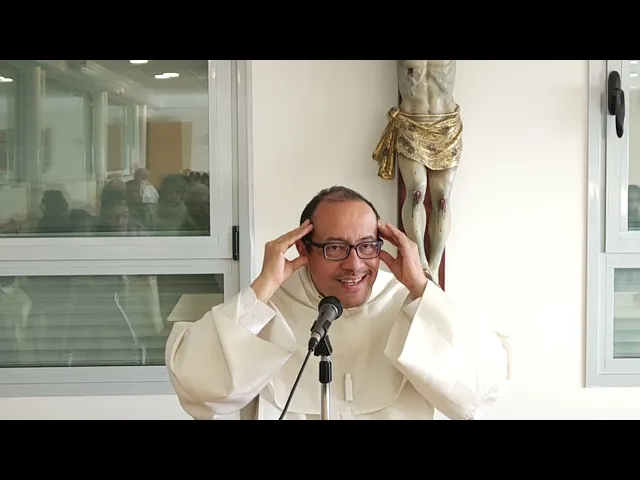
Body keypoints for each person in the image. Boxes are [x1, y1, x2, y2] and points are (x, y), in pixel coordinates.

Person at [166, 186, 513, 420]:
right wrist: (261, 289)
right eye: (335, 247)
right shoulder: (268, 307)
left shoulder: (408, 303)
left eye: (367, 245)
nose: (354, 264)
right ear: (302, 247)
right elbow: (198, 389)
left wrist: (421, 288)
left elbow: (482, 392)